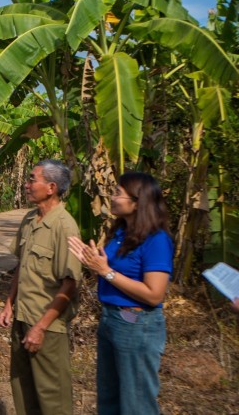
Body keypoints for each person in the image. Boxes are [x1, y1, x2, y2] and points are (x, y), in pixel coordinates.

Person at [68, 172, 173, 415]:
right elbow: (112, 274)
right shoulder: (121, 234)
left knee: (136, 404)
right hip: (112, 320)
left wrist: (106, 271)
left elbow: (154, 294)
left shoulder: (156, 240)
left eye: (118, 193)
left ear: (137, 202)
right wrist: (94, 263)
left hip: (137, 325)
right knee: (109, 399)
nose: (112, 197)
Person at [0, 159, 82, 415]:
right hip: (23, 318)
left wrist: (41, 327)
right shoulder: (29, 220)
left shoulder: (64, 226)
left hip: (46, 327)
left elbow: (69, 285)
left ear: (51, 187)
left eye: (32, 179)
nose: (26, 184)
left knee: (52, 400)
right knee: (24, 392)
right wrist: (9, 303)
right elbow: (21, 266)